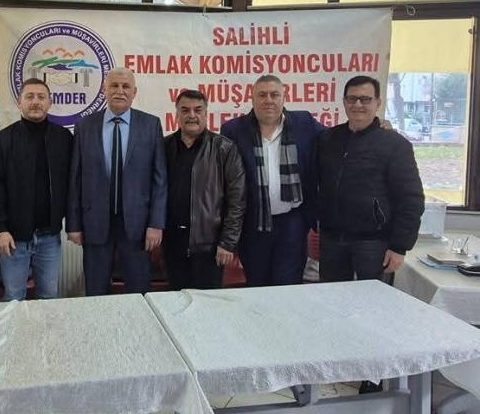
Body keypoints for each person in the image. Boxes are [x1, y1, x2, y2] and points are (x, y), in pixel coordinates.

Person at [68, 67, 167, 295]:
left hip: (137, 225)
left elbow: (159, 179)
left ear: (134, 92)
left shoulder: (150, 125)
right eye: (114, 86)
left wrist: (156, 223)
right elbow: (75, 178)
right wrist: (73, 224)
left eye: (125, 86)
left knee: (139, 291)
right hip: (95, 222)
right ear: (105, 90)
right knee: (96, 290)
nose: (119, 91)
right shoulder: (84, 125)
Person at [318, 75, 424, 282]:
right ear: (344, 102)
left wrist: (399, 246)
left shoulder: (395, 145)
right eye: (352, 99)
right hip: (332, 241)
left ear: (378, 103)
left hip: (375, 244)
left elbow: (411, 199)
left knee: (376, 300)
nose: (358, 104)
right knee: (331, 299)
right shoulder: (327, 139)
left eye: (365, 99)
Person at [221, 74, 324, 286]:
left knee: (288, 285)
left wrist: (379, 125)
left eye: (274, 94)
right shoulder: (233, 130)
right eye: (262, 95)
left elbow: (335, 138)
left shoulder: (303, 123)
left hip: (292, 223)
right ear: (252, 99)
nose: (268, 100)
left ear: (284, 97)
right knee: (257, 285)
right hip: (253, 224)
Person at [0, 78, 73, 300]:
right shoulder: (2, 140)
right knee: (14, 298)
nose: (35, 102)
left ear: (50, 103)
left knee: (49, 297)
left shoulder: (64, 138)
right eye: (29, 97)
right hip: (14, 238)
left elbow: (72, 185)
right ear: (19, 102)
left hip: (49, 237)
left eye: (41, 97)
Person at [163, 90, 246, 290]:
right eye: (185, 110)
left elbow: (237, 201)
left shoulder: (224, 148)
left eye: (197, 110)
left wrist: (227, 243)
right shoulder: (163, 147)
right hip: (172, 244)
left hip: (210, 247)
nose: (191, 115)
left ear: (206, 113)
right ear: (176, 114)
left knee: (208, 303)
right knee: (175, 301)